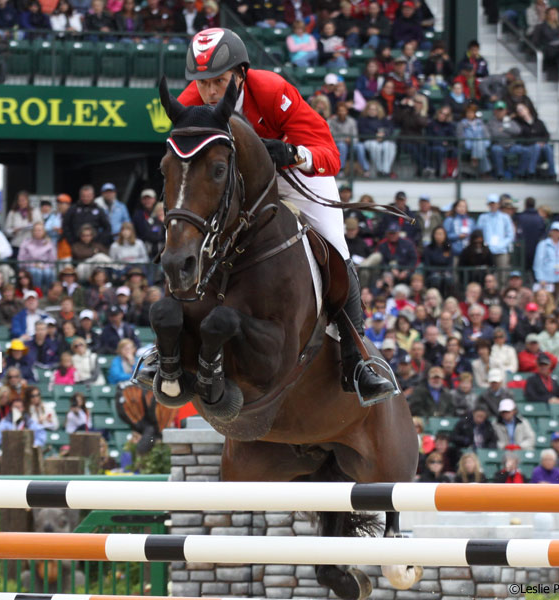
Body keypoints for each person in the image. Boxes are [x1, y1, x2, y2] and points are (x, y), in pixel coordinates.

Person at [168, 28, 398, 402]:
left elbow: (328, 153)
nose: (209, 93)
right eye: (203, 83)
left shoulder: (272, 90)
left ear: (240, 74)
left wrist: (293, 154)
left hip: (294, 174)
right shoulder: (191, 102)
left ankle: (357, 360)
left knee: (335, 246)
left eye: (219, 82)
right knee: (187, 235)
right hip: (234, 184)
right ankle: (169, 343)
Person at [477, 194, 514, 280]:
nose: (493, 206)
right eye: (491, 204)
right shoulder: (483, 217)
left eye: (494, 203)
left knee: (503, 273)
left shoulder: (505, 217)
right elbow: (479, 233)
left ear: (498, 204)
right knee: (487, 274)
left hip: (501, 250)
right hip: (487, 250)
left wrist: (502, 244)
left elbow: (510, 235)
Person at [514, 103, 556, 180]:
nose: (521, 111)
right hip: (528, 146)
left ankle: (552, 173)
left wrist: (542, 142)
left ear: (527, 109)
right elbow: (521, 139)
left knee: (548, 148)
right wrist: (535, 143)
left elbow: (546, 135)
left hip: (542, 145)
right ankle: (531, 172)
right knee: (536, 147)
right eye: (518, 110)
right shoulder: (519, 124)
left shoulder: (539, 122)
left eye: (522, 109)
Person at [533, 222, 559, 298]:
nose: (556, 233)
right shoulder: (543, 244)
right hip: (546, 278)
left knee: (557, 299)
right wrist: (540, 278)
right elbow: (538, 263)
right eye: (554, 231)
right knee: (546, 299)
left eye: (558, 231)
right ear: (550, 232)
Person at [357, 100, 396, 178]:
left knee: (390, 146)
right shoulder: (363, 119)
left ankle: (386, 170)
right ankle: (379, 170)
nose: (372, 111)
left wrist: (383, 134)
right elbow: (362, 130)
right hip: (369, 140)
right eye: (370, 109)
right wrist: (375, 135)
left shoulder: (383, 119)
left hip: (383, 140)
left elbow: (390, 128)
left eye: (374, 109)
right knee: (375, 146)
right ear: (367, 110)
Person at [18, 221, 57, 290]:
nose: (37, 232)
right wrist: (33, 265)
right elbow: (21, 260)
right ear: (32, 232)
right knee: (36, 272)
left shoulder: (49, 243)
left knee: (48, 273)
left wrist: (43, 266)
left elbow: (53, 261)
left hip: (45, 266)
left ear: (44, 231)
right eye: (35, 230)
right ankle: (37, 293)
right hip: (29, 267)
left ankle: (48, 293)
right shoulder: (26, 242)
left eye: (39, 230)